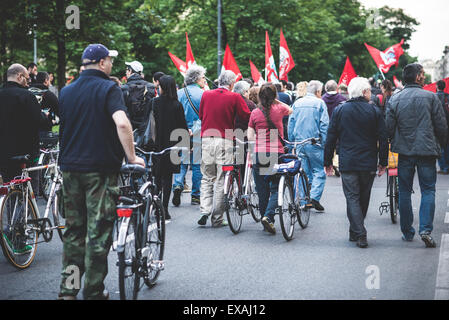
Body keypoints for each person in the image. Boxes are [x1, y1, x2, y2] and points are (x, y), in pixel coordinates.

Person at [57, 44, 145, 300]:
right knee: (98, 232)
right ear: (101, 62)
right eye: (109, 60)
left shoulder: (67, 91)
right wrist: (132, 157)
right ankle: (94, 290)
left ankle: (68, 290)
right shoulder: (109, 88)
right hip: (100, 170)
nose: (111, 65)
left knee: (74, 232)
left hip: (70, 169)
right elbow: (121, 122)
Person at [386, 63, 447, 248]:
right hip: (427, 151)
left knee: (404, 191)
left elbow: (388, 128)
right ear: (419, 77)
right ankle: (426, 230)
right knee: (428, 190)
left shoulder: (395, 99)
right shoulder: (431, 97)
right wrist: (442, 145)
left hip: (404, 151)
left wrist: (394, 141)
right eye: (422, 74)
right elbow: (441, 125)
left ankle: (407, 231)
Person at [324, 77, 388, 248]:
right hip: (368, 161)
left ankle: (356, 231)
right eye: (368, 91)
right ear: (364, 92)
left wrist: (328, 161)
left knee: (352, 197)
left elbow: (331, 137)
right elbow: (383, 138)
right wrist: (383, 161)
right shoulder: (374, 111)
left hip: (348, 161)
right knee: (364, 198)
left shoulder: (340, 110)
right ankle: (360, 232)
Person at [197, 70, 251, 227]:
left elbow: (201, 115)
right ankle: (217, 218)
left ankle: (204, 210)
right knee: (222, 178)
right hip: (225, 140)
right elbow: (246, 115)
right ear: (232, 83)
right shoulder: (234, 97)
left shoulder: (206, 95)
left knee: (207, 177)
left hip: (206, 139)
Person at [247, 83, 292, 234]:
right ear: (274, 96)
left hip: (259, 153)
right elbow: (291, 110)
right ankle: (268, 216)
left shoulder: (255, 112)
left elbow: (250, 135)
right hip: (275, 151)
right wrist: (276, 101)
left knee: (261, 189)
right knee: (274, 187)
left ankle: (265, 218)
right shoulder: (279, 109)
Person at [288, 80, 329, 212]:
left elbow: (291, 123)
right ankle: (314, 197)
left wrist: (292, 141)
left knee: (303, 172)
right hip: (314, 142)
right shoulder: (320, 103)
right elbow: (324, 125)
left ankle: (303, 200)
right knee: (319, 171)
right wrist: (324, 142)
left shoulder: (297, 103)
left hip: (300, 142)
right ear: (318, 92)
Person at [152, 75, 188, 220]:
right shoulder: (176, 105)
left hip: (156, 145)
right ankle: (164, 208)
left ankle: (154, 205)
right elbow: (182, 126)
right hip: (172, 146)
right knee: (168, 178)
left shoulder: (154, 103)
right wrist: (187, 144)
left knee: (156, 177)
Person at [0, 64, 44, 182]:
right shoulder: (27, 95)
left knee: (8, 185)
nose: (29, 82)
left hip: (3, 153)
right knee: (30, 189)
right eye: (27, 78)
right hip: (26, 153)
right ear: (20, 77)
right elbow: (40, 121)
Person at [172, 65, 207, 206]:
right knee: (197, 164)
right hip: (197, 133)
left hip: (180, 131)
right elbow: (204, 116)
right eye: (203, 77)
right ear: (197, 78)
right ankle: (196, 195)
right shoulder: (204, 94)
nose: (205, 80)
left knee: (181, 161)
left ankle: (178, 184)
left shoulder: (178, 93)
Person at [121, 60, 156, 131]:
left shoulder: (123, 88)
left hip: (128, 128)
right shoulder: (151, 87)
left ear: (130, 71)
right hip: (147, 128)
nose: (126, 72)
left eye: (127, 70)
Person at [436, 80, 449, 174]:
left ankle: (443, 167)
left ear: (437, 86)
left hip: (438, 125)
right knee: (447, 147)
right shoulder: (447, 96)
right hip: (447, 124)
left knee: (440, 147)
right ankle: (447, 167)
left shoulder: (434, 97)